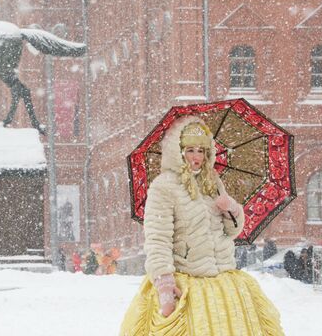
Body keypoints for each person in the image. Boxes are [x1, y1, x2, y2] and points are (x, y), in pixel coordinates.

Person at [119, 116, 283, 335]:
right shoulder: (163, 187)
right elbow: (158, 238)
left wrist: (231, 208)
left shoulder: (212, 181)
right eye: (190, 150)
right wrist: (164, 283)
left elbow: (232, 231)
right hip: (187, 282)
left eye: (202, 151)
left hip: (223, 279)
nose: (197, 157)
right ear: (178, 152)